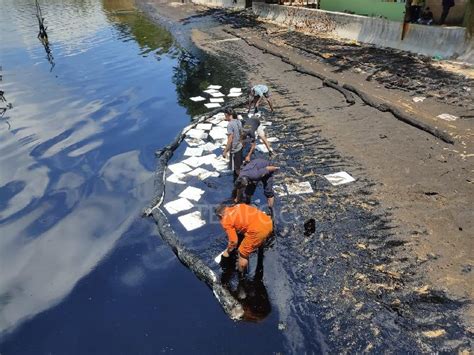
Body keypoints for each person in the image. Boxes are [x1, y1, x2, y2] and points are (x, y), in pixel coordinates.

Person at [216, 203, 273, 273]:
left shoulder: (225, 220)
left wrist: (227, 251)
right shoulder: (240, 205)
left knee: (242, 252)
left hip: (258, 231)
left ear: (220, 215)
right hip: (268, 222)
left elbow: (234, 242)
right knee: (256, 235)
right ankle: (261, 245)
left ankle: (242, 275)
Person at [222, 107, 243, 181]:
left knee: (237, 169)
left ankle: (242, 183)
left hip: (234, 150)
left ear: (227, 115)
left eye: (225, 115)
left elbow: (230, 139)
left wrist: (225, 151)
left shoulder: (230, 125)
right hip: (239, 147)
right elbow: (241, 133)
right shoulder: (238, 121)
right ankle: (237, 181)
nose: (224, 117)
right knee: (239, 166)